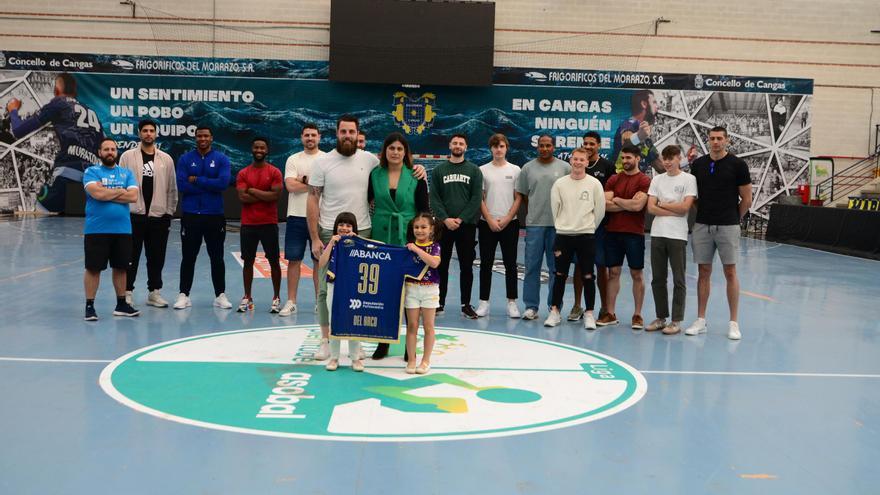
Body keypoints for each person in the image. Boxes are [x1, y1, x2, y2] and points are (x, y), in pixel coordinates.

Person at [307, 115, 425, 360]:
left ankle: (358, 340)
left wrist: (420, 168)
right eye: (343, 131)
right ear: (336, 132)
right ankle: (326, 340)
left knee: (362, 290)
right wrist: (315, 237)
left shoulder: (370, 161)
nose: (347, 135)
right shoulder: (323, 162)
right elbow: (312, 198)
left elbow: (409, 191)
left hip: (364, 233)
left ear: (358, 134)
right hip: (331, 231)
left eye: (352, 132)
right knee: (325, 289)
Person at [685, 126, 752, 340]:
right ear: (708, 140)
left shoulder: (738, 165)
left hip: (728, 226)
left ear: (727, 140)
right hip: (702, 225)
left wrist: (733, 218)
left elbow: (747, 199)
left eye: (719, 138)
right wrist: (706, 214)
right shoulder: (699, 164)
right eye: (712, 138)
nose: (716, 142)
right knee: (703, 272)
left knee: (730, 272)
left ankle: (733, 323)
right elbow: (694, 197)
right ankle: (701, 320)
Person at [368, 132, 430, 360]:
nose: (395, 152)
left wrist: (422, 242)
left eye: (399, 149)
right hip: (381, 240)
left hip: (408, 242)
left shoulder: (416, 176)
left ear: (406, 153)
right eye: (391, 148)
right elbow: (366, 201)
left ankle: (409, 347)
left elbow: (424, 211)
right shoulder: (375, 175)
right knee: (384, 294)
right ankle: (383, 342)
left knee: (409, 295)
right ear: (384, 151)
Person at [6, 73, 104, 212]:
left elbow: (18, 131)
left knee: (41, 208)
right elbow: (105, 143)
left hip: (67, 172)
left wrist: (13, 110)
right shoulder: (91, 111)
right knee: (76, 221)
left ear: (57, 88)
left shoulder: (58, 103)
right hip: (93, 179)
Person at [544, 147, 605, 329]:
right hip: (563, 236)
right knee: (560, 275)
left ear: (587, 162)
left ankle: (589, 314)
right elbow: (555, 209)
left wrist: (588, 227)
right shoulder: (560, 184)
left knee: (587, 275)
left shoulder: (594, 184)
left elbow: (599, 211)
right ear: (571, 160)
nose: (578, 162)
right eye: (575, 159)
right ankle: (554, 312)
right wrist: (563, 226)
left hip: (586, 235)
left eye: (582, 160)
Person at [119, 119, 178, 308]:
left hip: (158, 217)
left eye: (152, 130)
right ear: (139, 133)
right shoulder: (127, 157)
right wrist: (124, 211)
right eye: (145, 130)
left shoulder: (166, 159)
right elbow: (121, 185)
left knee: (156, 257)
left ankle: (154, 292)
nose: (148, 134)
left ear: (156, 134)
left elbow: (172, 188)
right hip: (134, 215)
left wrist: (168, 212)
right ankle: (128, 292)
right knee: (131, 256)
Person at [174, 126, 233, 310]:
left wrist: (198, 180)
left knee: (217, 257)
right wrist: (209, 184)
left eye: (206, 135)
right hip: (191, 215)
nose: (202, 138)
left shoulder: (221, 159)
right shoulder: (185, 159)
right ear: (195, 138)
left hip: (214, 215)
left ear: (211, 138)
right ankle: (184, 295)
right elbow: (182, 185)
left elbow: (223, 183)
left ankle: (220, 295)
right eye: (199, 136)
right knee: (188, 257)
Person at [82, 138, 140, 320]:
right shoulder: (91, 171)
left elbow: (133, 196)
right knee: (93, 268)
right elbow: (97, 193)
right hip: (96, 229)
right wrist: (121, 191)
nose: (110, 152)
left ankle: (121, 304)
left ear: (117, 152)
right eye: (106, 149)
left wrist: (107, 191)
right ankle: (90, 306)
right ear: (100, 152)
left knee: (121, 268)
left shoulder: (126, 173)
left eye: (113, 149)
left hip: (122, 230)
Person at [516, 135, 570, 321]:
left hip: (558, 226)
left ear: (554, 147)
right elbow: (523, 195)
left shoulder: (565, 168)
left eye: (548, 145)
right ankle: (531, 307)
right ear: (537, 147)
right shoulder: (527, 168)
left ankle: (554, 307)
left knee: (556, 269)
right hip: (535, 226)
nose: (544, 148)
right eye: (541, 146)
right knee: (532, 267)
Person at [645, 145, 698, 335]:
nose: (667, 162)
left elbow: (685, 208)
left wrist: (663, 204)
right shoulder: (657, 179)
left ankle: (676, 320)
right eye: (664, 158)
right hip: (658, 233)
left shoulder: (689, 179)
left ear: (679, 158)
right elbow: (651, 208)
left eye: (671, 158)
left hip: (677, 235)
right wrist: (671, 207)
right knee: (658, 278)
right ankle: (661, 317)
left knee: (679, 279)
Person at [429, 134, 483, 319]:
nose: (458, 146)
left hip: (466, 226)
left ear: (466, 147)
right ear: (450, 145)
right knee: (440, 265)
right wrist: (445, 219)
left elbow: (476, 199)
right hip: (443, 226)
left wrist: (460, 219)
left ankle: (465, 304)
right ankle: (439, 302)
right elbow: (434, 198)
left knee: (466, 266)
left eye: (461, 143)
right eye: (455, 143)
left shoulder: (474, 170)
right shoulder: (438, 170)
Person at [600, 145, 650, 329]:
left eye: (629, 157)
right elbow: (605, 205)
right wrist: (628, 203)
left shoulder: (644, 180)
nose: (625, 161)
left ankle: (637, 315)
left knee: (637, 273)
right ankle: (610, 313)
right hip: (613, 232)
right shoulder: (614, 179)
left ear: (637, 158)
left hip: (634, 233)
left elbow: (638, 207)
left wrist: (618, 200)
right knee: (613, 273)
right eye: (623, 158)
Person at [279, 123, 324, 317]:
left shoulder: (326, 159)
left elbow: (328, 186)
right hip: (296, 216)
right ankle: (291, 301)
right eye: (307, 135)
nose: (310, 138)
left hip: (321, 217)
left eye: (313, 135)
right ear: (301, 137)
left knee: (319, 261)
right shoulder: (293, 159)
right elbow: (290, 186)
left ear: (319, 137)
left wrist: (303, 180)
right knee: (294, 260)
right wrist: (314, 183)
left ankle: (319, 303)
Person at [475, 133, 522, 318]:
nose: (498, 149)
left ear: (506, 148)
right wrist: (489, 219)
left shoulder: (516, 170)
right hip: (487, 223)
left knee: (511, 264)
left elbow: (519, 197)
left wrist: (508, 217)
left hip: (510, 223)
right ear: (491, 149)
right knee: (485, 264)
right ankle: (483, 302)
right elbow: (480, 197)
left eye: (501, 146)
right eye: (495, 146)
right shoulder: (482, 170)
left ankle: (512, 302)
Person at [236, 137, 283, 312]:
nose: (259, 150)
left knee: (274, 261)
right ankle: (247, 297)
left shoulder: (275, 172)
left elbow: (275, 197)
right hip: (249, 225)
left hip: (269, 223)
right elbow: (242, 197)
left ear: (267, 150)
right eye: (256, 147)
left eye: (262, 147)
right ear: (252, 149)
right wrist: (265, 194)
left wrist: (253, 191)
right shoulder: (243, 173)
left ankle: (276, 297)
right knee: (248, 262)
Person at [320, 212, 364, 372]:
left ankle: (355, 358)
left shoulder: (359, 243)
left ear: (354, 229)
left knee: (354, 322)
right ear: (336, 227)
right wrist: (331, 243)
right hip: (334, 287)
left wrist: (357, 241)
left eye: (348, 225)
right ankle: (334, 357)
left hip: (353, 288)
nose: (344, 228)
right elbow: (322, 263)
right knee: (334, 321)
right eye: (341, 224)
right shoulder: (332, 243)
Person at [581, 131, 615, 322]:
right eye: (585, 143)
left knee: (601, 266)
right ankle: (578, 306)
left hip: (601, 225)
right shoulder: (578, 166)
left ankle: (604, 307)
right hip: (579, 224)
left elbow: (609, 194)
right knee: (579, 266)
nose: (588, 146)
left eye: (592, 143)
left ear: (599, 145)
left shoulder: (607, 166)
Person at [403, 212, 442, 374]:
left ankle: (426, 360)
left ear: (431, 229)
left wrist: (417, 250)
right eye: (416, 227)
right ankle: (412, 359)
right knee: (411, 326)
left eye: (423, 227)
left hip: (430, 289)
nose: (419, 230)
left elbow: (434, 263)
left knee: (428, 326)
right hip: (411, 289)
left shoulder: (435, 246)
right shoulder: (408, 247)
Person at [611, 90, 663, 175]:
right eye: (654, 102)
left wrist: (686, 161)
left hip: (639, 184)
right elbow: (626, 141)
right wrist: (639, 136)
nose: (657, 107)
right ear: (644, 104)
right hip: (621, 182)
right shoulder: (629, 123)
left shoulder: (646, 141)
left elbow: (662, 167)